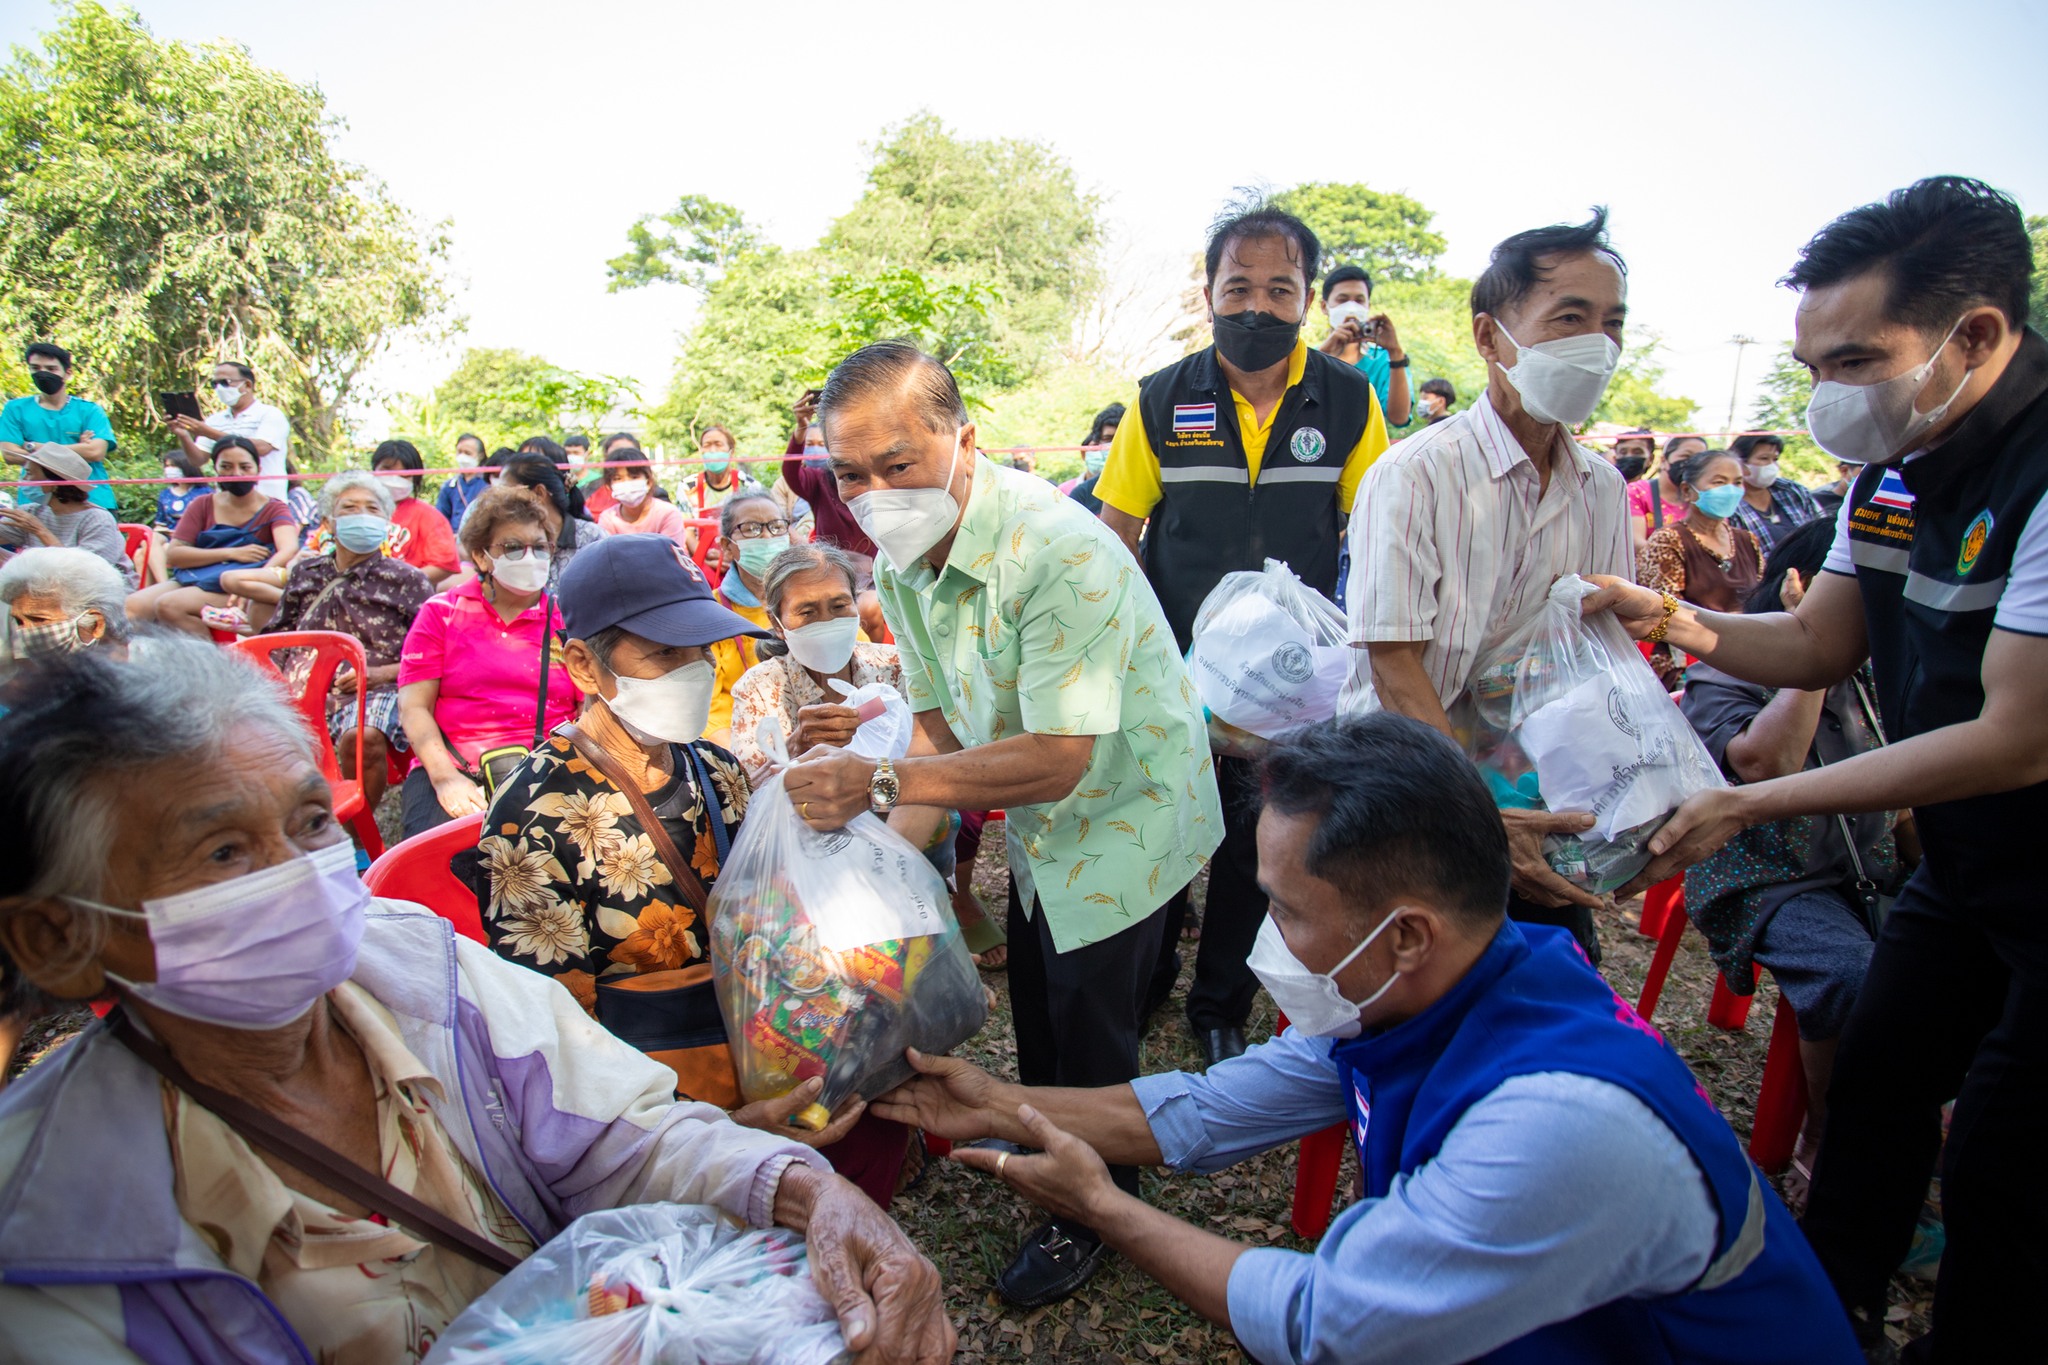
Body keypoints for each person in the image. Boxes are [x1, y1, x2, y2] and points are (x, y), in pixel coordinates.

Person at [0, 641, 953, 1365]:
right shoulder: (53, 1245)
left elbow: (624, 1135)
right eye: (224, 853)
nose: (299, 877)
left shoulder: (415, 967)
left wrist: (804, 1187)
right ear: (57, 936)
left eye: (306, 824)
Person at [877, 713, 1861, 1365]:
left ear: (1404, 934)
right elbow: (1210, 1109)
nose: (1268, 940)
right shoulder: (1441, 980)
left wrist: (1107, 1211)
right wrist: (998, 1102)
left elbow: (1323, 1324)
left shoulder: (1558, 1126)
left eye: (1284, 910)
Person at [1594, 176, 2048, 1360]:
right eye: (1810, 365)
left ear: (1977, 337)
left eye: (1854, 359)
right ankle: (1821, 1320)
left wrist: (1745, 801)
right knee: (1876, 1092)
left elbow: (2015, 738)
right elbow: (1815, 640)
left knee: (1999, 1167)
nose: (1824, 399)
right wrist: (1672, 619)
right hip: (1965, 865)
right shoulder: (1890, 472)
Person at [786, 342, 1222, 1308]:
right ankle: (1039, 1127)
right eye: (850, 474)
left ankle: (1097, 1201)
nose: (873, 492)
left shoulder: (1058, 549)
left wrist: (878, 782)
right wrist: (863, 883)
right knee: (1036, 987)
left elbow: (1059, 756)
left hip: (1125, 812)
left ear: (964, 440)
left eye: (897, 464)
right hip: (1040, 820)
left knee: (1094, 1017)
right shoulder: (900, 562)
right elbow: (940, 737)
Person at [471, 535, 918, 1207]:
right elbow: (557, 1038)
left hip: (761, 1041)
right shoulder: (533, 817)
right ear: (584, 666)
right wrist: (722, 1131)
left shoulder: (714, 767)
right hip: (656, 1108)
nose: (695, 670)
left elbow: (785, 899)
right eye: (663, 654)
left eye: (701, 650)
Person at [1096, 197, 1389, 1068]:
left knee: (1258, 842)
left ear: (1306, 298)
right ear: (1209, 292)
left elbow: (1373, 535)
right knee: (1160, 826)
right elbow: (1114, 538)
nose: (1256, 306)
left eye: (1280, 288)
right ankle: (1144, 979)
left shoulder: (1345, 401)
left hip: (1289, 683)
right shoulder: (1162, 397)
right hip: (1174, 668)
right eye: (1238, 287)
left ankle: (1220, 998)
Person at [1340, 208, 1632, 963]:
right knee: (1424, 986)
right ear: (1487, 337)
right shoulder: (1413, 474)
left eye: (1612, 323)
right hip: (1404, 777)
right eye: (1569, 318)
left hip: (1530, 784)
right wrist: (1475, 814)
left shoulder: (1600, 486)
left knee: (1551, 971)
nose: (1597, 346)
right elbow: (1393, 662)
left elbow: (1597, 648)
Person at [1677, 518, 1901, 1209]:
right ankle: (1832, 1144)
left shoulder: (1887, 667)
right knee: (1853, 977)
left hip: (1870, 865)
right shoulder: (1729, 660)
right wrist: (1815, 661)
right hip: (1766, 876)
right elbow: (1765, 763)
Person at [397, 487, 581, 838]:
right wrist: (445, 778)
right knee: (435, 866)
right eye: (512, 547)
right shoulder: (442, 613)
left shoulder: (566, 619)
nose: (529, 557)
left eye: (540, 547)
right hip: (455, 765)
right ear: (482, 557)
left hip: (551, 765)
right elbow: (414, 707)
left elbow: (588, 708)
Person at [261, 470, 434, 817]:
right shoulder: (304, 574)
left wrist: (381, 674)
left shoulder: (407, 580)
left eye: (372, 509)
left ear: (386, 522)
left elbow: (433, 655)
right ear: (328, 521)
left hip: (374, 690)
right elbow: (276, 638)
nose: (362, 516)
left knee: (363, 737)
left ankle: (358, 834)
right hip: (300, 691)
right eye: (350, 508)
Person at [729, 542, 902, 785]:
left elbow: (931, 756)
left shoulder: (895, 666)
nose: (827, 622)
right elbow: (746, 797)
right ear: (777, 624)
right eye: (807, 612)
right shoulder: (760, 689)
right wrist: (795, 746)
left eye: (839, 606)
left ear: (856, 604)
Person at [126, 437, 299, 638]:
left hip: (234, 585)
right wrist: (231, 553)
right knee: (132, 606)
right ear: (215, 468)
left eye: (244, 467)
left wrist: (252, 580)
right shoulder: (202, 504)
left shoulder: (274, 508)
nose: (236, 474)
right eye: (226, 466)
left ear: (258, 469)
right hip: (197, 577)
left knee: (169, 605)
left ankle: (213, 665)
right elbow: (174, 555)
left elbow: (289, 549)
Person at [1637, 448, 1767, 690]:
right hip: (1688, 667)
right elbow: (1665, 613)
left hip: (1746, 657)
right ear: (1687, 491)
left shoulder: (1747, 540)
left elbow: (1761, 600)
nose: (1730, 490)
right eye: (1719, 482)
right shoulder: (1669, 540)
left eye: (1737, 482)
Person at [701, 489, 783, 748]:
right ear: (727, 546)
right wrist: (744, 761)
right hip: (741, 741)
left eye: (776, 526)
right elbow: (709, 709)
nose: (768, 536)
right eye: (751, 529)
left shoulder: (812, 600)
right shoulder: (711, 613)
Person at [0, 343, 118, 510]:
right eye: (36, 368)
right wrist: (79, 449)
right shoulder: (15, 409)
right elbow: (10, 455)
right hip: (36, 502)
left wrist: (33, 447)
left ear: (67, 372)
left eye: (51, 368)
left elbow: (95, 452)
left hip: (92, 502)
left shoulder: (89, 410)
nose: (43, 373)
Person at [0, 446, 136, 587]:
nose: (23, 480)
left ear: (54, 483)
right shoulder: (32, 511)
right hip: (47, 589)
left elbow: (87, 574)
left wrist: (40, 531)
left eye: (29, 473)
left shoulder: (97, 519)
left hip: (98, 595)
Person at [169, 360, 292, 500]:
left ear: (247, 385)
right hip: (227, 502)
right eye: (215, 384)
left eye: (225, 382)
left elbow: (262, 448)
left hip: (268, 499)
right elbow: (198, 460)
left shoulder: (270, 414)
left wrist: (208, 432)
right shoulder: (214, 421)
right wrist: (184, 435)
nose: (219, 388)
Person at [1316, 264, 1413, 426]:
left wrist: (1395, 353)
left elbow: (1399, 418)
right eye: (1342, 300)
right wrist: (1323, 355)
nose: (1351, 307)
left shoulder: (1383, 360)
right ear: (1324, 307)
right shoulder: (1309, 357)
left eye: (1359, 300)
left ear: (1368, 306)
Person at [1, 546, 132, 660]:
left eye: (39, 620)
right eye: (19, 622)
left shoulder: (141, 680)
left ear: (95, 625)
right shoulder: (50, 676)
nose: (25, 632)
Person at [493, 449, 605, 576]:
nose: (501, 501)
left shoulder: (592, 538)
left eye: (507, 493)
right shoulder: (505, 538)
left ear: (539, 492)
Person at [1729, 433, 1823, 550]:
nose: (1771, 466)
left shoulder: (1793, 490)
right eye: (1764, 458)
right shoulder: (1730, 502)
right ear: (1740, 462)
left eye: (1775, 459)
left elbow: (1822, 528)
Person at [681, 425, 746, 576]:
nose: (712, 450)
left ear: (731, 451)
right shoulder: (688, 486)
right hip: (700, 563)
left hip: (739, 561)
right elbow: (686, 530)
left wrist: (731, 556)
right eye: (707, 445)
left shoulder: (747, 485)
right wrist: (706, 556)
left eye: (718, 444)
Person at [595, 447, 693, 545]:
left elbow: (670, 555)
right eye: (618, 478)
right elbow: (606, 555)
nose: (627, 483)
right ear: (609, 486)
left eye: (634, 477)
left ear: (649, 481)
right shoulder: (608, 518)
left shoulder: (667, 514)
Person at [1631, 431, 1700, 551]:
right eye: (1686, 456)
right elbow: (1636, 543)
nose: (1693, 464)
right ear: (1663, 460)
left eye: (1699, 459)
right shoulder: (1637, 492)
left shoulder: (1703, 497)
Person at [1061, 403, 1122, 514]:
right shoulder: (1079, 493)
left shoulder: (1142, 489)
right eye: (1108, 439)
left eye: (1120, 439)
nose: (1113, 446)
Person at [435, 431, 494, 529]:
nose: (462, 457)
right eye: (459, 452)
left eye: (467, 453)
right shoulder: (449, 486)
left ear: (480, 455)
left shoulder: (489, 483)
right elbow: (440, 519)